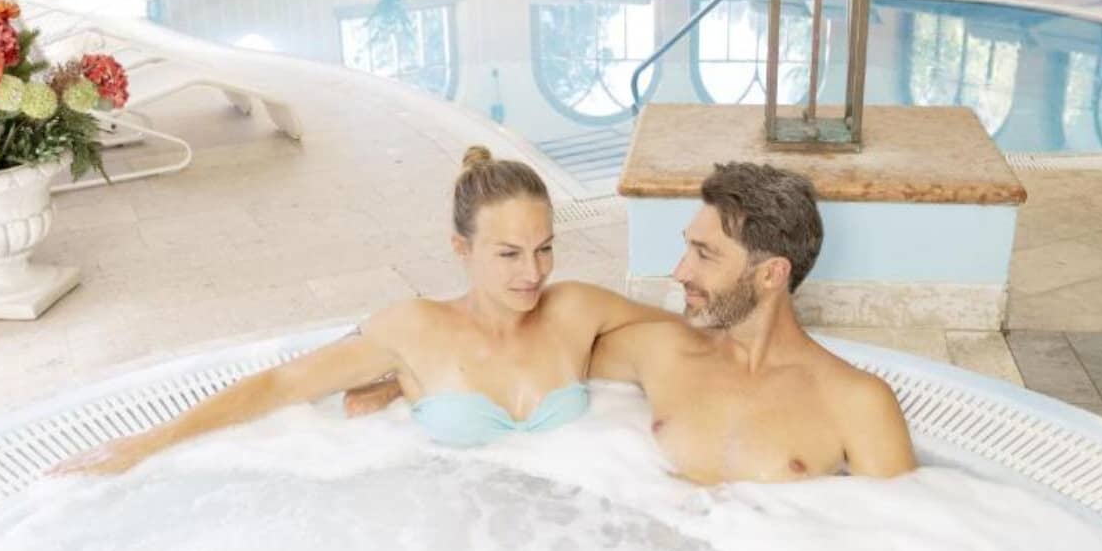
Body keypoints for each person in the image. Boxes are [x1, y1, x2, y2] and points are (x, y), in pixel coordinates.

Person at [56, 147, 673, 475]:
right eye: (509, 254)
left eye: (544, 249)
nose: (533, 273)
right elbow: (282, 384)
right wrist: (148, 443)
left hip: (573, 526)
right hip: (463, 540)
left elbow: (686, 339)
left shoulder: (575, 309)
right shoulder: (415, 329)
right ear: (461, 249)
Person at [350, 162, 917, 483]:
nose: (679, 271)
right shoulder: (662, 351)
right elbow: (520, 357)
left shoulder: (857, 402)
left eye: (705, 255)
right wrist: (405, 379)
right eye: (687, 247)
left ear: (771, 274)